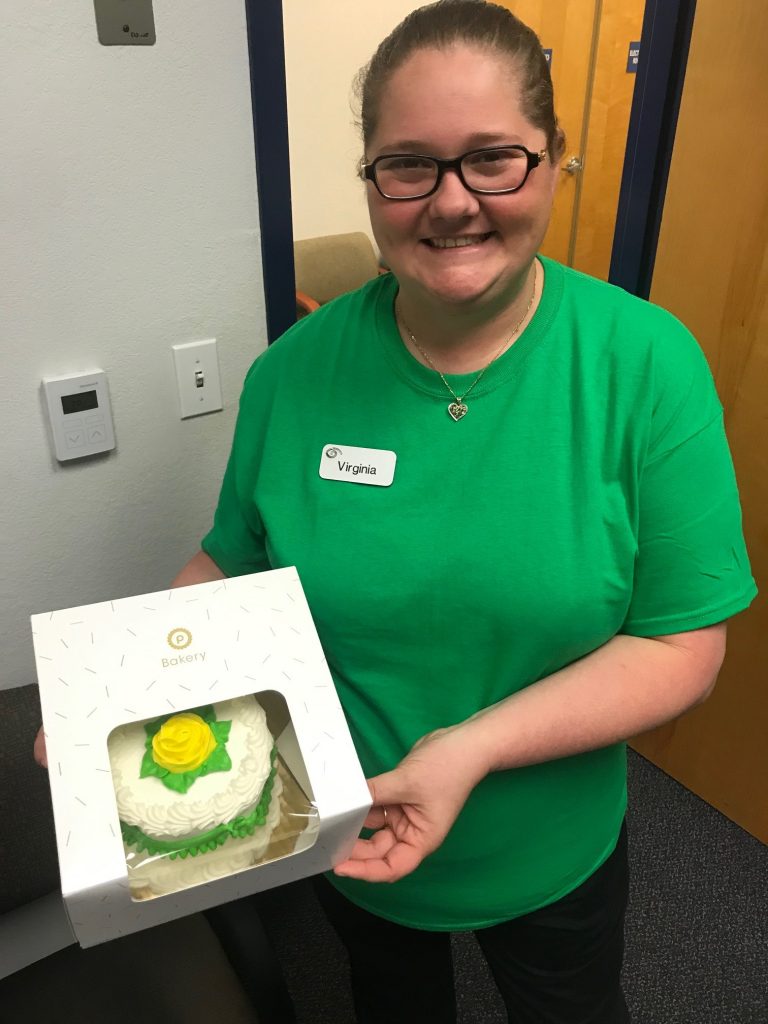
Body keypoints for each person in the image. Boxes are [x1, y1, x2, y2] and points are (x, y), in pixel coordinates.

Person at [35, 2, 756, 1021]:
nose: (452, 202)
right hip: (353, 822)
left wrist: (471, 747)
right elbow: (232, 560)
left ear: (554, 163)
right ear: (372, 178)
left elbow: (683, 643)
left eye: (494, 159)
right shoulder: (292, 375)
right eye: (410, 164)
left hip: (549, 843)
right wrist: (115, 699)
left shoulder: (644, 365)